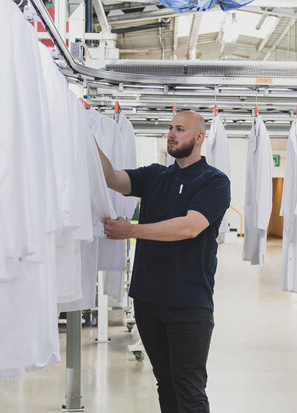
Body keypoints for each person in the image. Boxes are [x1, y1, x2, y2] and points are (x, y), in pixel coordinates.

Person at [96, 110, 231, 413]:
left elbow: (190, 227)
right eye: (170, 128)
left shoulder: (214, 181)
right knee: (166, 382)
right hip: (148, 300)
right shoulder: (156, 175)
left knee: (189, 387)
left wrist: (131, 230)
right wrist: (86, 136)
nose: (171, 133)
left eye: (180, 129)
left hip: (189, 303)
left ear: (199, 137)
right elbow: (111, 177)